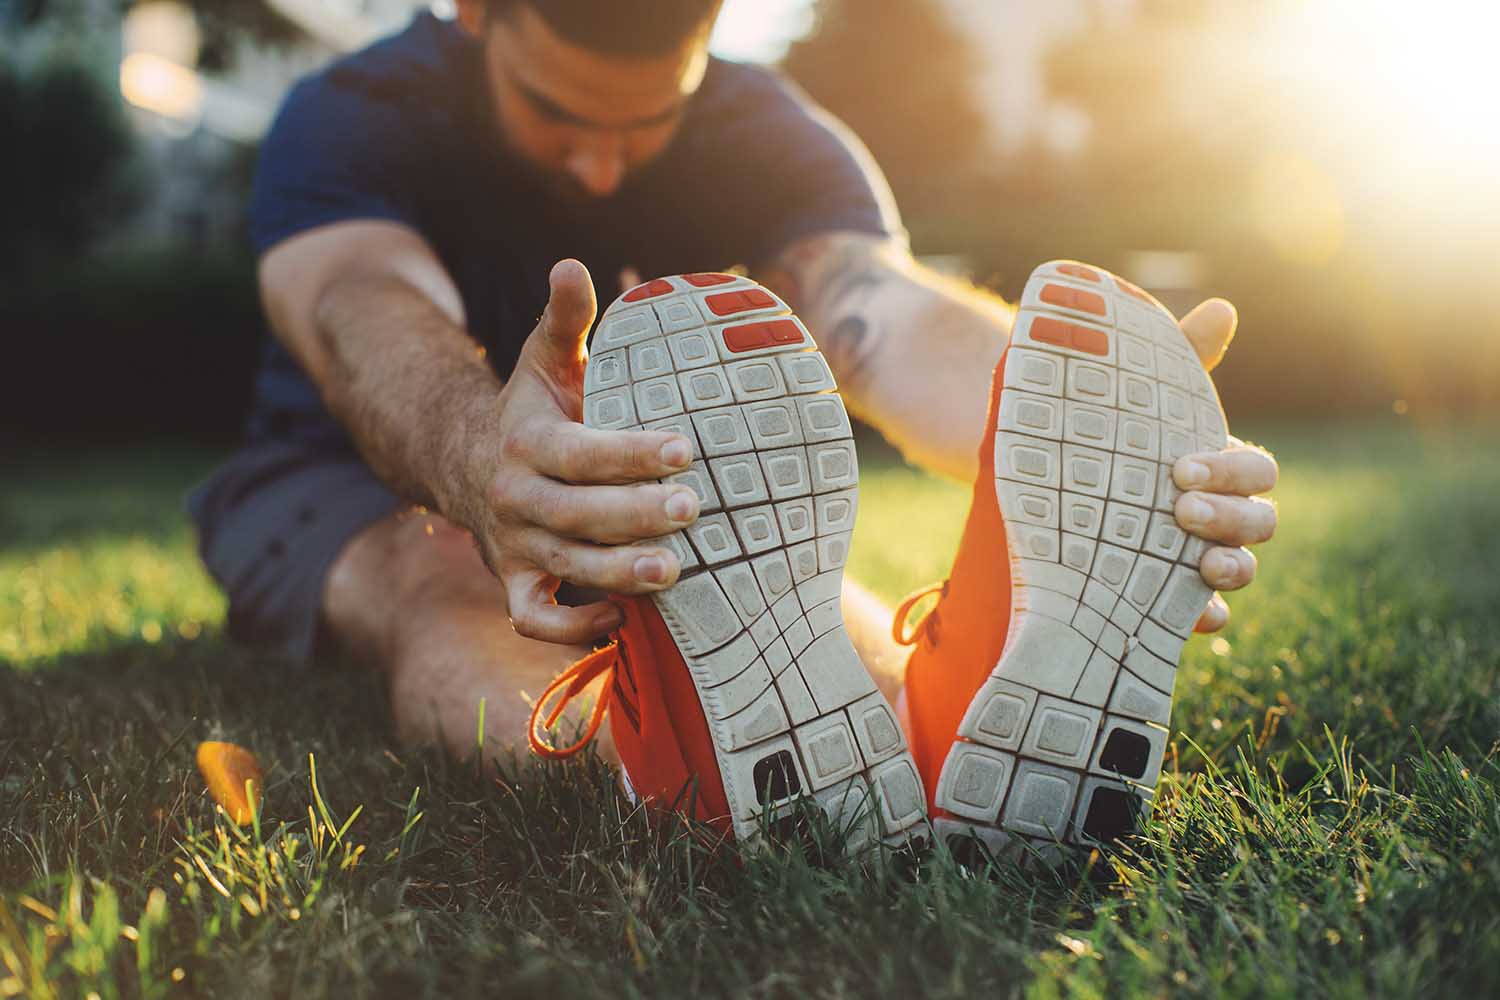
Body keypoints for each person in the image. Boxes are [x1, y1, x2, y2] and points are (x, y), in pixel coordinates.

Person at [190, 0, 1277, 844]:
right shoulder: (351, 111)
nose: (601, 167)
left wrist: (1073, 411)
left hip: (667, 484)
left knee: (786, 615)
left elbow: (875, 309)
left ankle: (934, 746)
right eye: (559, 114)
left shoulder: (768, 128)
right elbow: (353, 306)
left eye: (648, 119)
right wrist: (488, 463)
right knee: (453, 578)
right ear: (478, 11)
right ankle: (656, 776)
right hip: (342, 480)